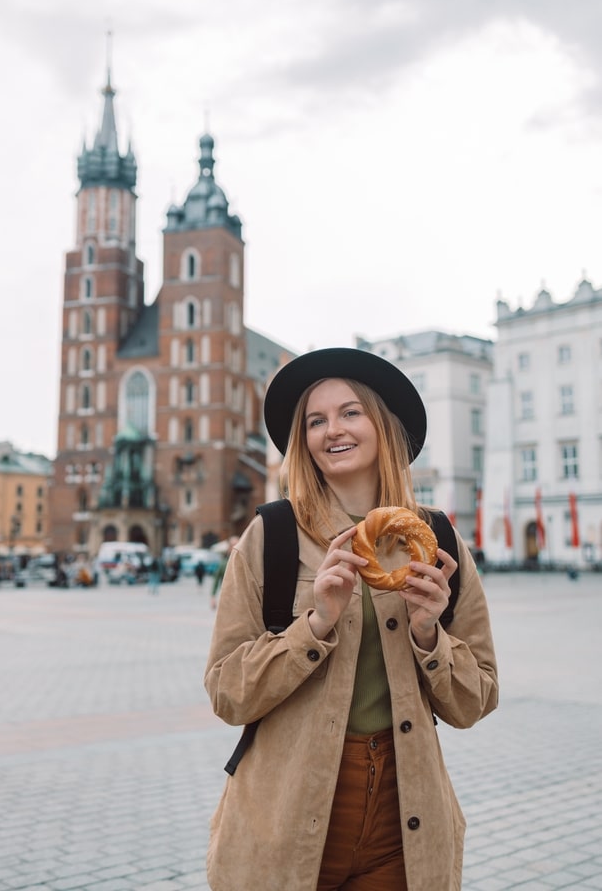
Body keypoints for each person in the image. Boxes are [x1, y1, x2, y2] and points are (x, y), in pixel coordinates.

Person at [204, 348, 498, 891]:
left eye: (349, 412)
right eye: (316, 420)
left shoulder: (437, 542)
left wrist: (429, 633)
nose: (331, 430)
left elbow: (475, 699)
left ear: (382, 426)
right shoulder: (271, 537)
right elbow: (227, 692)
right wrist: (315, 624)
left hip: (404, 820)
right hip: (284, 816)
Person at [210, 536, 239, 610]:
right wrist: (213, 597)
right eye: (233, 545)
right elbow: (216, 580)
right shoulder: (223, 563)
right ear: (229, 548)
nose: (235, 547)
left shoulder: (244, 563)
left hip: (241, 598)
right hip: (226, 597)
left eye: (238, 544)